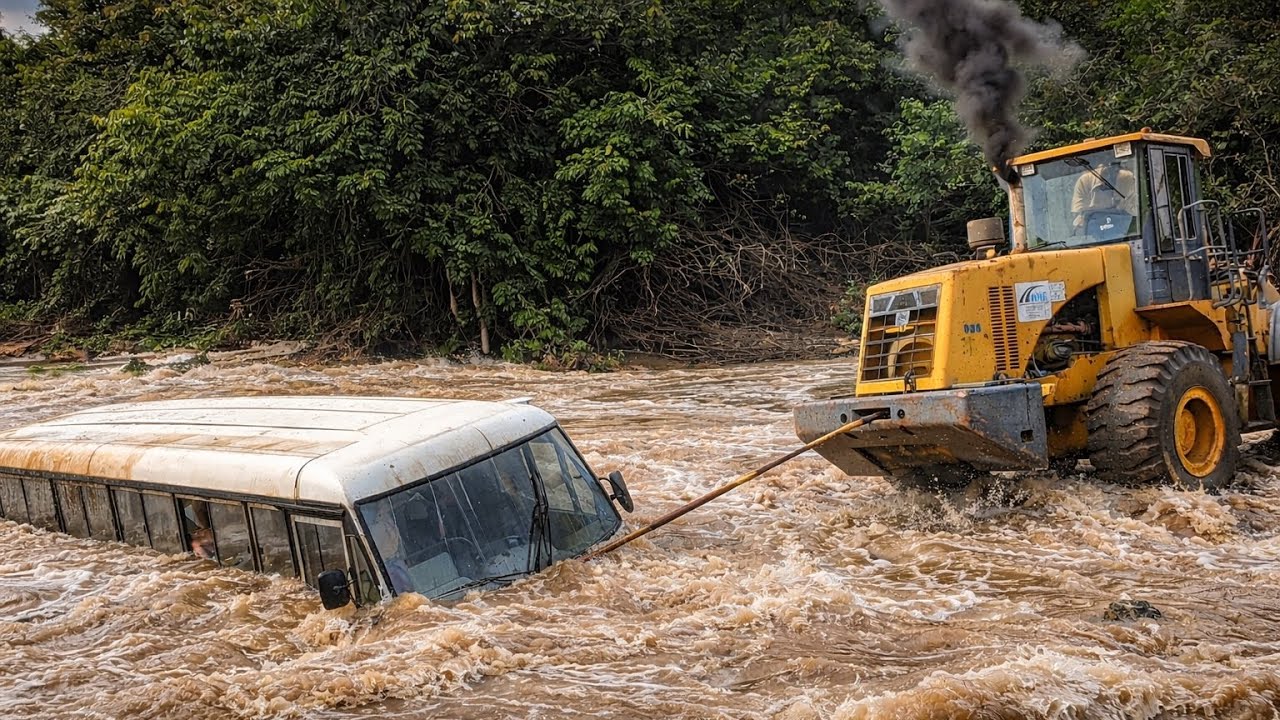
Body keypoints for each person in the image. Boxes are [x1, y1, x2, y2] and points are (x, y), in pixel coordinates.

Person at [1071, 160, 1138, 234]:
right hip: (1093, 235)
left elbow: (1137, 212)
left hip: (1126, 232)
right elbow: (1078, 218)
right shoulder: (1085, 181)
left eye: (1113, 165)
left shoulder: (1128, 178)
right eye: (1106, 164)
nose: (1109, 169)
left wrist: (1121, 204)